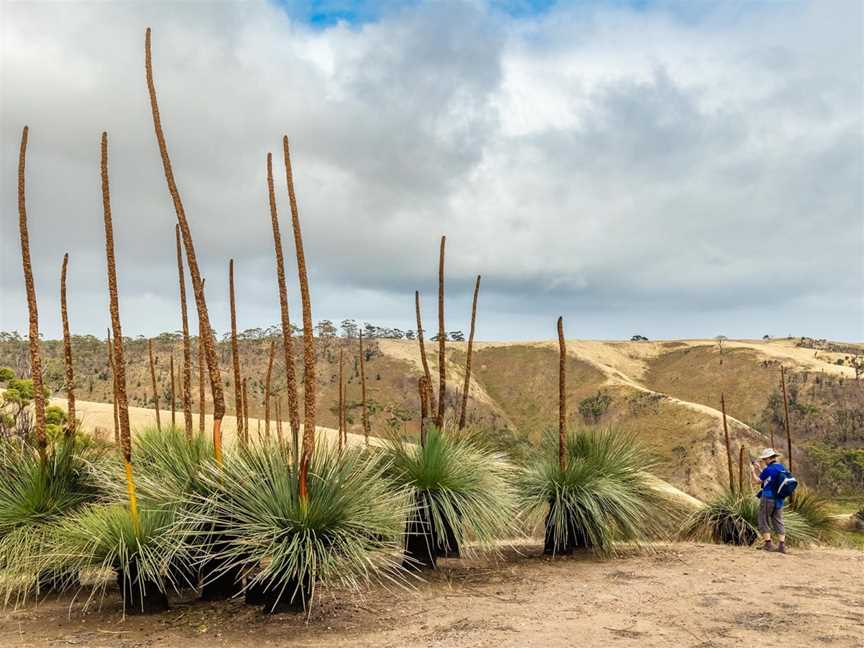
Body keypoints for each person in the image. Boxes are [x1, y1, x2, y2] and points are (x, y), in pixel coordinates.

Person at [750, 448, 787, 553]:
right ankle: (782, 545)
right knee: (778, 520)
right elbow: (770, 479)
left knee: (763, 519)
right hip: (779, 498)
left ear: (769, 458)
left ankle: (768, 544)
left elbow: (758, 481)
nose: (764, 461)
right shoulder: (781, 467)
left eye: (765, 459)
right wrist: (759, 469)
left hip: (768, 498)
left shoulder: (768, 469)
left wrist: (753, 472)